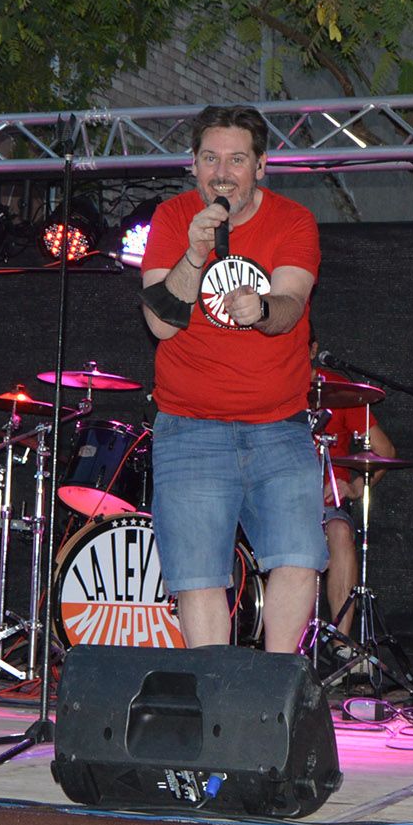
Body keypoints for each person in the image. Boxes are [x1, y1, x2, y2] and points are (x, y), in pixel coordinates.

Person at [140, 105, 324, 653]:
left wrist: (263, 309)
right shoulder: (173, 220)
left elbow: (291, 302)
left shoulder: (293, 221)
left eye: (237, 159)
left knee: (298, 557)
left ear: (261, 166)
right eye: (210, 159)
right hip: (190, 429)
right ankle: (217, 695)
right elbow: (160, 324)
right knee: (198, 577)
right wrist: (196, 251)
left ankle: (273, 690)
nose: (222, 172)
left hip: (279, 427)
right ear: (194, 165)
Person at [309, 349, 397, 634]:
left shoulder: (340, 393)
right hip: (276, 499)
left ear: (312, 348)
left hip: (326, 502)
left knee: (340, 531)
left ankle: (341, 644)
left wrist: (356, 488)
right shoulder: (268, 386)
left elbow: (384, 451)